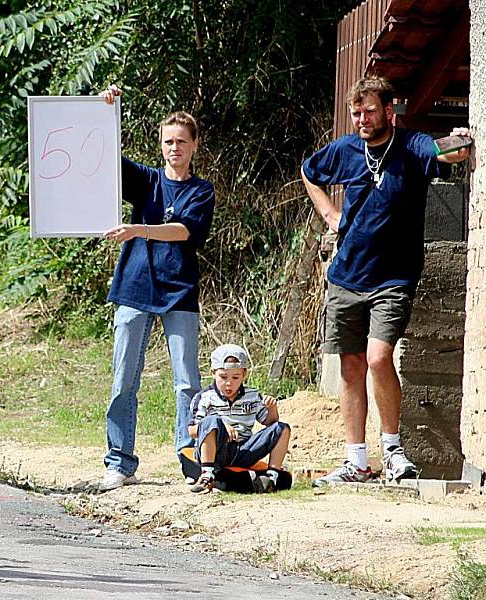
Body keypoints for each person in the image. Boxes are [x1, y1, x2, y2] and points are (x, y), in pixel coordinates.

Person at [301, 76, 472, 486]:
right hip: (346, 276)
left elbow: (448, 153)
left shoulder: (409, 147)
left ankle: (392, 449)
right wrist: (330, 215)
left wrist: (461, 140)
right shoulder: (344, 150)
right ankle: (356, 460)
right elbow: (310, 171)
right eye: (356, 112)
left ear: (388, 111)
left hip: (393, 278)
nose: (362, 119)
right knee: (350, 365)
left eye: (370, 111)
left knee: (378, 357)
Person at [99, 85, 216, 491]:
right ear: (160, 144)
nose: (174, 148)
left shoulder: (202, 190)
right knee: (123, 380)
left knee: (187, 381)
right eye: (168, 141)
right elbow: (104, 157)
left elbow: (184, 231)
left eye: (181, 141)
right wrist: (108, 110)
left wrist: (138, 230)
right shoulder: (145, 181)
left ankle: (190, 461)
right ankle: (119, 462)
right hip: (133, 289)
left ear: (195, 145)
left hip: (180, 293)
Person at [187, 344, 290, 494]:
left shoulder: (252, 396)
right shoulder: (204, 397)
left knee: (283, 428)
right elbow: (192, 431)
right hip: (217, 451)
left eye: (236, 377)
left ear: (244, 375)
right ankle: (207, 475)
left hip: (243, 449)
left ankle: (271, 477)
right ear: (213, 373)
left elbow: (270, 423)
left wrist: (272, 409)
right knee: (212, 420)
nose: (229, 383)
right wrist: (221, 427)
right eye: (223, 377)